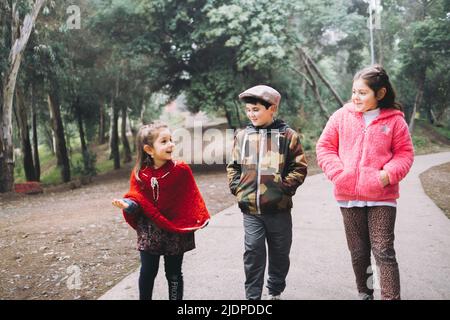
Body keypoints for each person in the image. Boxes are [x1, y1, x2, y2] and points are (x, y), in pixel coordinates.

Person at [316, 65, 414, 300]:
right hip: (348, 196)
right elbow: (325, 147)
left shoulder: (395, 121)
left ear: (379, 93)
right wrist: (338, 173)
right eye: (354, 92)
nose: (355, 97)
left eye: (362, 92)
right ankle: (365, 292)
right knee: (359, 252)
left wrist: (386, 175)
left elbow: (405, 154)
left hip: (382, 196)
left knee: (383, 251)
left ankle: (390, 297)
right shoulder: (341, 116)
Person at [227, 85, 308, 300]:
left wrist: (283, 189)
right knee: (253, 253)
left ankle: (275, 291)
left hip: (279, 210)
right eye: (249, 110)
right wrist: (238, 188)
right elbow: (233, 166)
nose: (251, 114)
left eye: (256, 109)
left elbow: (299, 167)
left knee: (280, 254)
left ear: (272, 108)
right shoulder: (243, 136)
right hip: (251, 210)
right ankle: (253, 298)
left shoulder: (287, 136)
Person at [112, 122, 210, 300]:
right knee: (148, 271)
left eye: (171, 139)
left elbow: (190, 198)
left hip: (174, 230)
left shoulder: (180, 170)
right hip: (149, 232)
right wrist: (128, 205)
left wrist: (197, 217)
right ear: (149, 149)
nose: (171, 144)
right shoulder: (140, 173)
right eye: (164, 141)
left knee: (174, 273)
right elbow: (137, 199)